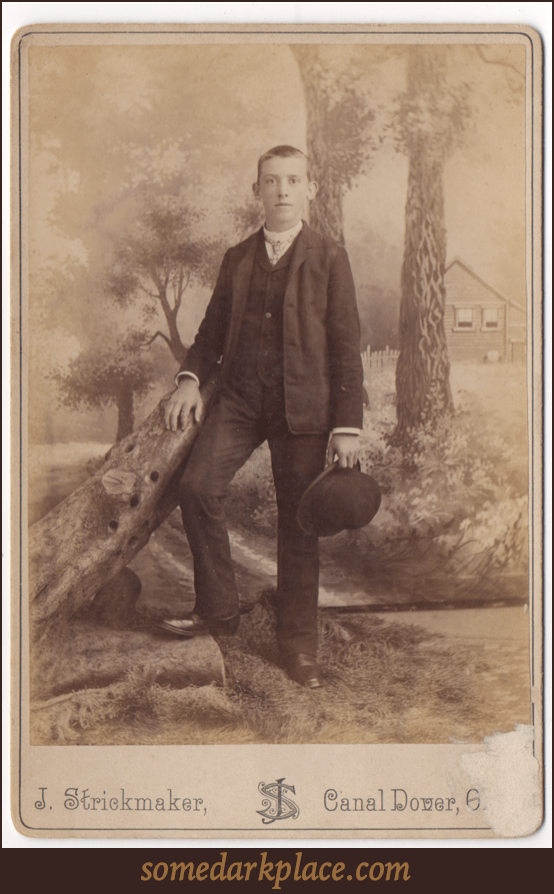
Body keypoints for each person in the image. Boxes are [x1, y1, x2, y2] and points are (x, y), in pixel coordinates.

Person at [161, 145, 364, 688]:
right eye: (270, 181)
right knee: (198, 486)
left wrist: (346, 424)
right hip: (241, 399)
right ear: (256, 191)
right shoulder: (237, 258)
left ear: (309, 190)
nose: (281, 191)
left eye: (292, 181)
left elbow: (347, 348)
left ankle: (299, 648)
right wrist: (188, 380)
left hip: (304, 408)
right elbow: (208, 335)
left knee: (298, 526)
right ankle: (219, 612)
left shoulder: (329, 257)